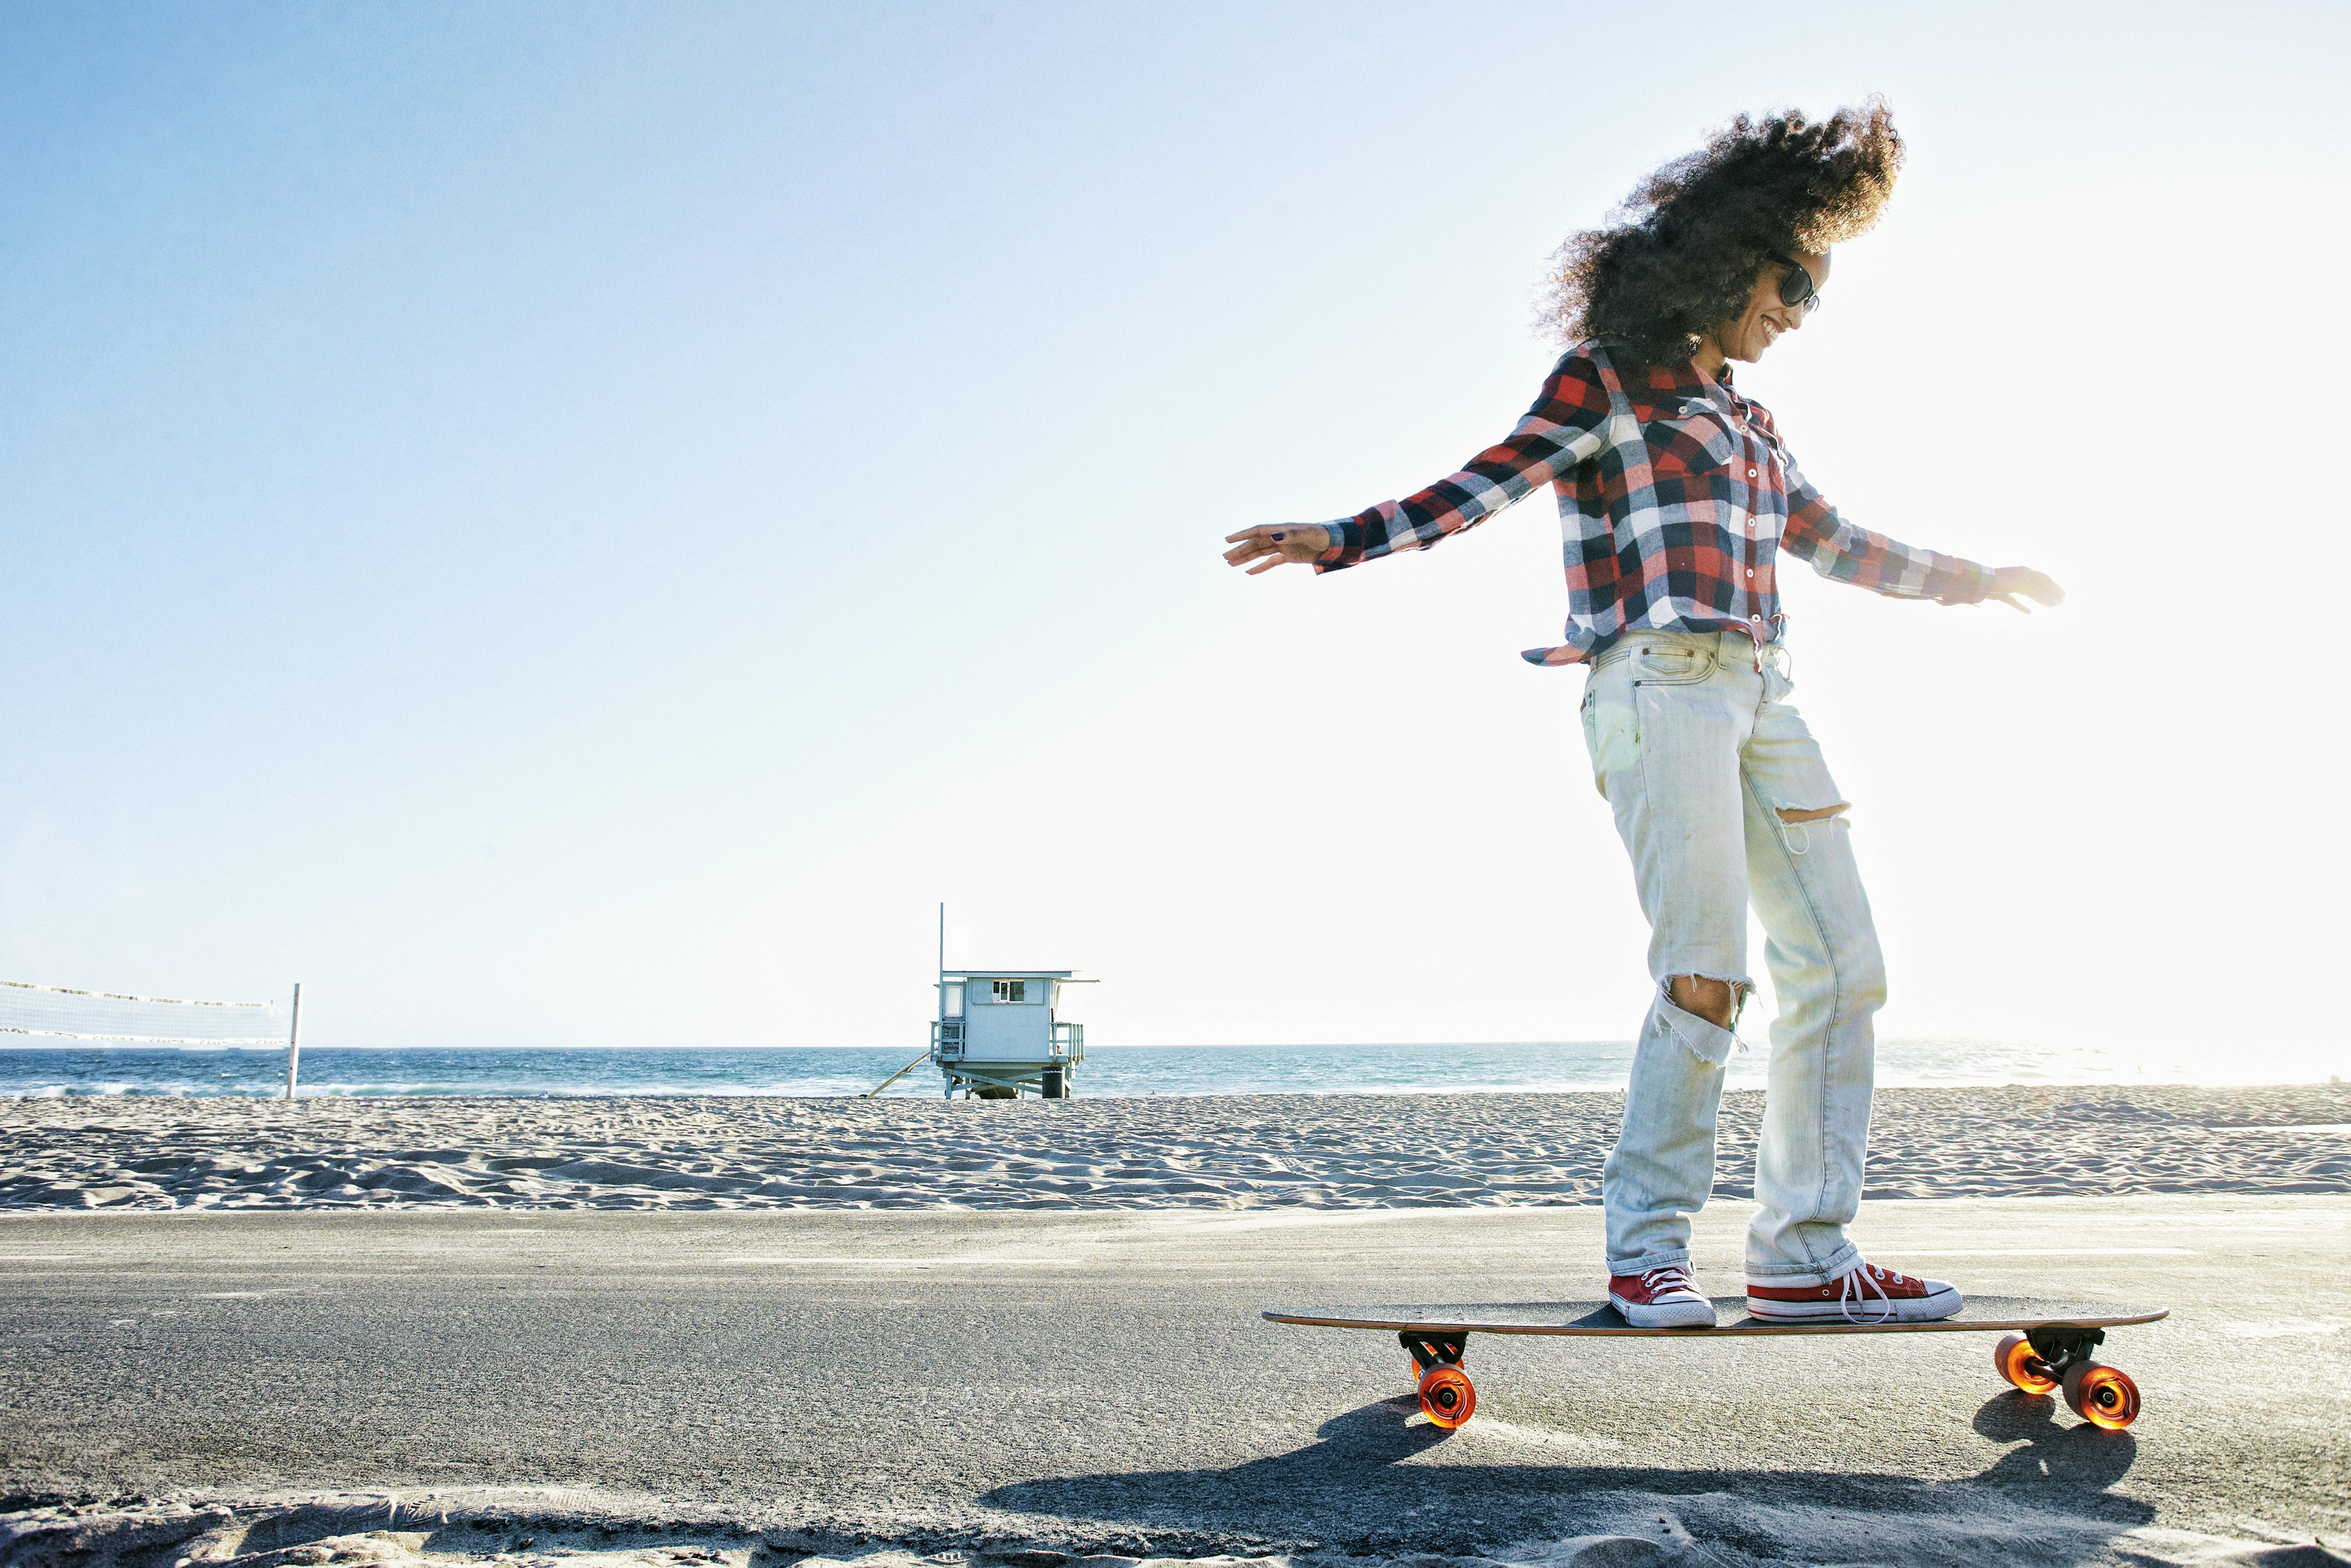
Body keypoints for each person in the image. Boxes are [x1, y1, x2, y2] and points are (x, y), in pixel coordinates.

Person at [1221, 99, 2062, 1328]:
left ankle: (1803, 1254)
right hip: (1656, 684)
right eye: (1791, 285)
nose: (1797, 313)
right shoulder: (1609, 381)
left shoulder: (1756, 426)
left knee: (1844, 964)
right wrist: (1348, 539)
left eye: (1814, 296)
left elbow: (1835, 543)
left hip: (1765, 691)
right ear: (1726, 260)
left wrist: (1975, 579)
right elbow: (1486, 483)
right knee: (1706, 973)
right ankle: (1647, 1249)